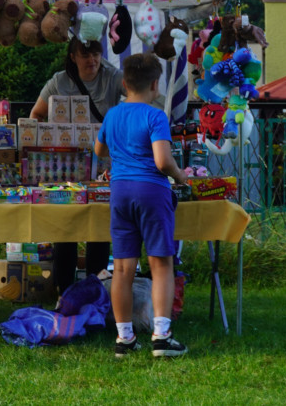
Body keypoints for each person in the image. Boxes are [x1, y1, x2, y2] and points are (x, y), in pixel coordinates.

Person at [94, 52, 188, 358]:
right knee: (161, 263)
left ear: (123, 84)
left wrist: (118, 157)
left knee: (121, 268)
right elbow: (162, 161)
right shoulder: (156, 116)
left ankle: (124, 339)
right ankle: (161, 336)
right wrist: (180, 175)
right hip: (152, 191)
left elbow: (99, 149)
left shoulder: (112, 115)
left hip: (120, 191)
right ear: (156, 84)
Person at [30, 37, 123, 292]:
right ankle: (65, 290)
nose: (92, 60)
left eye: (96, 53)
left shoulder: (112, 77)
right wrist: (44, 141)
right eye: (85, 54)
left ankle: (94, 288)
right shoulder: (59, 81)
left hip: (103, 165)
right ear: (73, 56)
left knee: (99, 227)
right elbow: (35, 114)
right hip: (65, 166)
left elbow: (136, 94)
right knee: (66, 227)